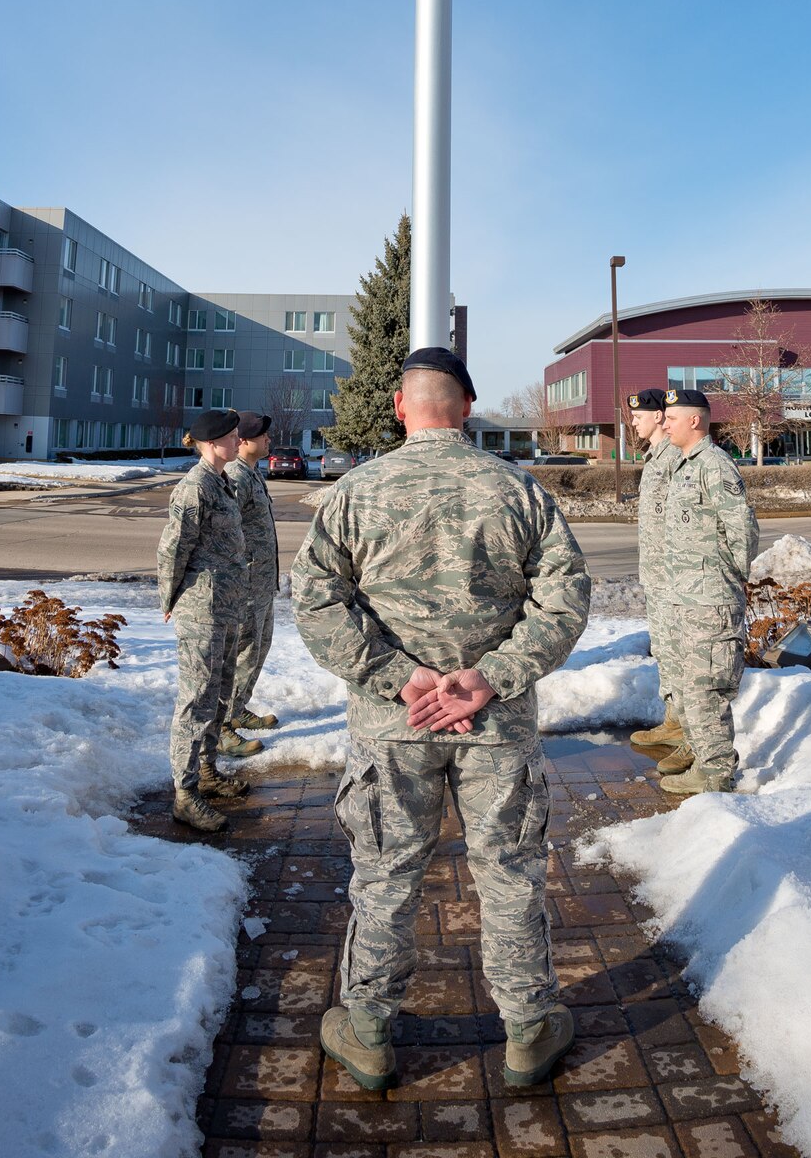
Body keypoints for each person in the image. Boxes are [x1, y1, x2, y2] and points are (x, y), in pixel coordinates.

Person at [292, 346, 591, 1094]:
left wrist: (403, 681)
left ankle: (367, 1032)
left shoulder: (354, 492)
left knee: (386, 874)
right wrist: (488, 679)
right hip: (495, 724)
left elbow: (317, 602)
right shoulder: (518, 490)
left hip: (394, 728)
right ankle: (528, 1031)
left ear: (401, 406)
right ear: (467, 406)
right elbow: (564, 599)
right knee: (509, 871)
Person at [653, 387, 758, 795]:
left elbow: (741, 530)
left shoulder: (715, 465)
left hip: (710, 599)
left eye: (672, 418)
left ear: (694, 421)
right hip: (685, 597)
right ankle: (703, 760)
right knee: (690, 686)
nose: (665, 424)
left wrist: (729, 576)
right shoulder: (685, 464)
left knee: (706, 689)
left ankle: (715, 775)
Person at [157, 407, 251, 832]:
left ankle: (208, 772)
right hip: (202, 610)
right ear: (213, 444)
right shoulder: (194, 488)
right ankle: (185, 793)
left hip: (227, 608)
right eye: (232, 437)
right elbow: (173, 549)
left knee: (218, 694)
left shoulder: (222, 482)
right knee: (196, 699)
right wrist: (169, 596)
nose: (238, 441)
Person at [625, 387, 686, 753]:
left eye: (639, 416)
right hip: (657, 574)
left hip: (673, 576)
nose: (633, 421)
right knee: (664, 649)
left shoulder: (673, 459)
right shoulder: (655, 457)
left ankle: (686, 728)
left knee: (677, 650)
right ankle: (673, 721)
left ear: (659, 417)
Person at [217, 409, 281, 753]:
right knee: (240, 654)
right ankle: (223, 727)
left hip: (261, 584)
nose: (269, 440)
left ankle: (238, 709)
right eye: (262, 436)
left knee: (257, 648)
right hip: (244, 585)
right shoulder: (236, 478)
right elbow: (226, 534)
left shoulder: (253, 474)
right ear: (242, 441)